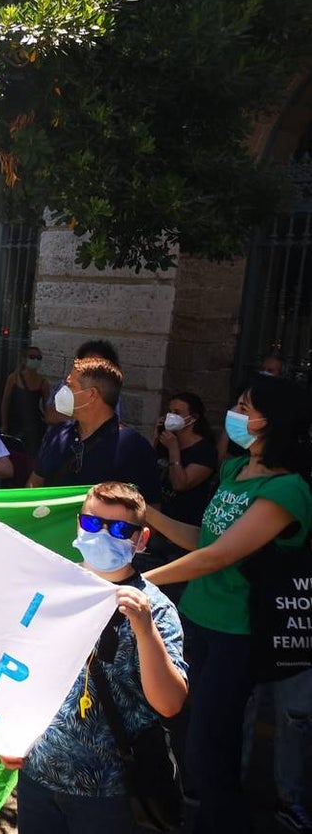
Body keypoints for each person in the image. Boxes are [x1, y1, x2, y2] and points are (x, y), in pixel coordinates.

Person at [144, 374, 312, 834]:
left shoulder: (288, 490)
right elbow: (205, 539)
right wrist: (148, 514)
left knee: (208, 750)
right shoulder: (236, 471)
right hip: (195, 619)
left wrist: (142, 581)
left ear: (272, 422)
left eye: (245, 406)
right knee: (187, 738)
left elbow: (220, 556)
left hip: (234, 634)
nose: (235, 414)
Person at [0, 481, 188, 834]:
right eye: (91, 524)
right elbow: (23, 668)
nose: (102, 535)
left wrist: (145, 631)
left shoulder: (156, 610)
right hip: (38, 776)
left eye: (119, 529)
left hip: (111, 793)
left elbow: (170, 703)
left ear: (141, 540)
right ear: (77, 525)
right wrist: (10, 735)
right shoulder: (52, 588)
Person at [28, 357, 161, 504]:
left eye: (70, 386)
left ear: (91, 395)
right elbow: (33, 486)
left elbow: (150, 510)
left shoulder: (133, 447)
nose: (62, 392)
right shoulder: (57, 434)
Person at [133, 392, 217, 601]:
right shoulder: (165, 441)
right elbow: (149, 470)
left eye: (178, 413)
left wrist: (174, 451)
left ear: (193, 418)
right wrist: (156, 438)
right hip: (156, 526)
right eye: (170, 411)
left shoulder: (204, 450)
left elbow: (181, 483)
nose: (171, 416)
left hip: (181, 529)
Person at [44, 339, 121, 425]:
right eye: (87, 363)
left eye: (97, 366)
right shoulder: (65, 384)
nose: (90, 368)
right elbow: (50, 416)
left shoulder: (110, 394)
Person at [0, 344, 50, 461]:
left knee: (30, 458)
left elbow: (47, 406)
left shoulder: (43, 382)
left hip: (33, 426)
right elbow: (5, 402)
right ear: (24, 359)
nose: (35, 360)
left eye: (38, 358)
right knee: (12, 456)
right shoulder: (14, 378)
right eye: (32, 357)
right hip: (15, 423)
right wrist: (4, 424)